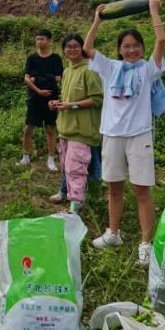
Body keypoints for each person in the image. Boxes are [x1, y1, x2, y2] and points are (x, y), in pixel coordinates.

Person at [83, 0, 165, 267]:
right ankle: (113, 234)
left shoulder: (148, 70)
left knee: (142, 191)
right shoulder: (110, 68)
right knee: (114, 188)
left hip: (139, 135)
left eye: (136, 46)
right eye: (126, 46)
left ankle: (146, 243)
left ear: (142, 49)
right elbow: (87, 47)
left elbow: (161, 41)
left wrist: (153, 10)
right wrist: (97, 20)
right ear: (119, 50)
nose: (131, 50)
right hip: (112, 135)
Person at [48, 32, 103, 211]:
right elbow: (66, 97)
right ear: (63, 50)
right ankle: (65, 191)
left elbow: (97, 99)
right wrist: (57, 103)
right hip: (66, 127)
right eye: (68, 47)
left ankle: (76, 203)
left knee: (76, 167)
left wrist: (72, 106)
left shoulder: (90, 70)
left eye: (75, 46)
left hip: (83, 130)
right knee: (66, 163)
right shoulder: (66, 71)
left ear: (82, 49)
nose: (71, 49)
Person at [20, 28, 63, 171]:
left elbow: (59, 78)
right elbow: (26, 78)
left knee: (50, 128)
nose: (39, 41)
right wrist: (38, 89)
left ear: (49, 41)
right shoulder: (32, 58)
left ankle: (51, 159)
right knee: (28, 128)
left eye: (42, 39)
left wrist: (38, 77)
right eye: (37, 39)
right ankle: (25, 157)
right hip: (34, 97)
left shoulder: (56, 58)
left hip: (51, 99)